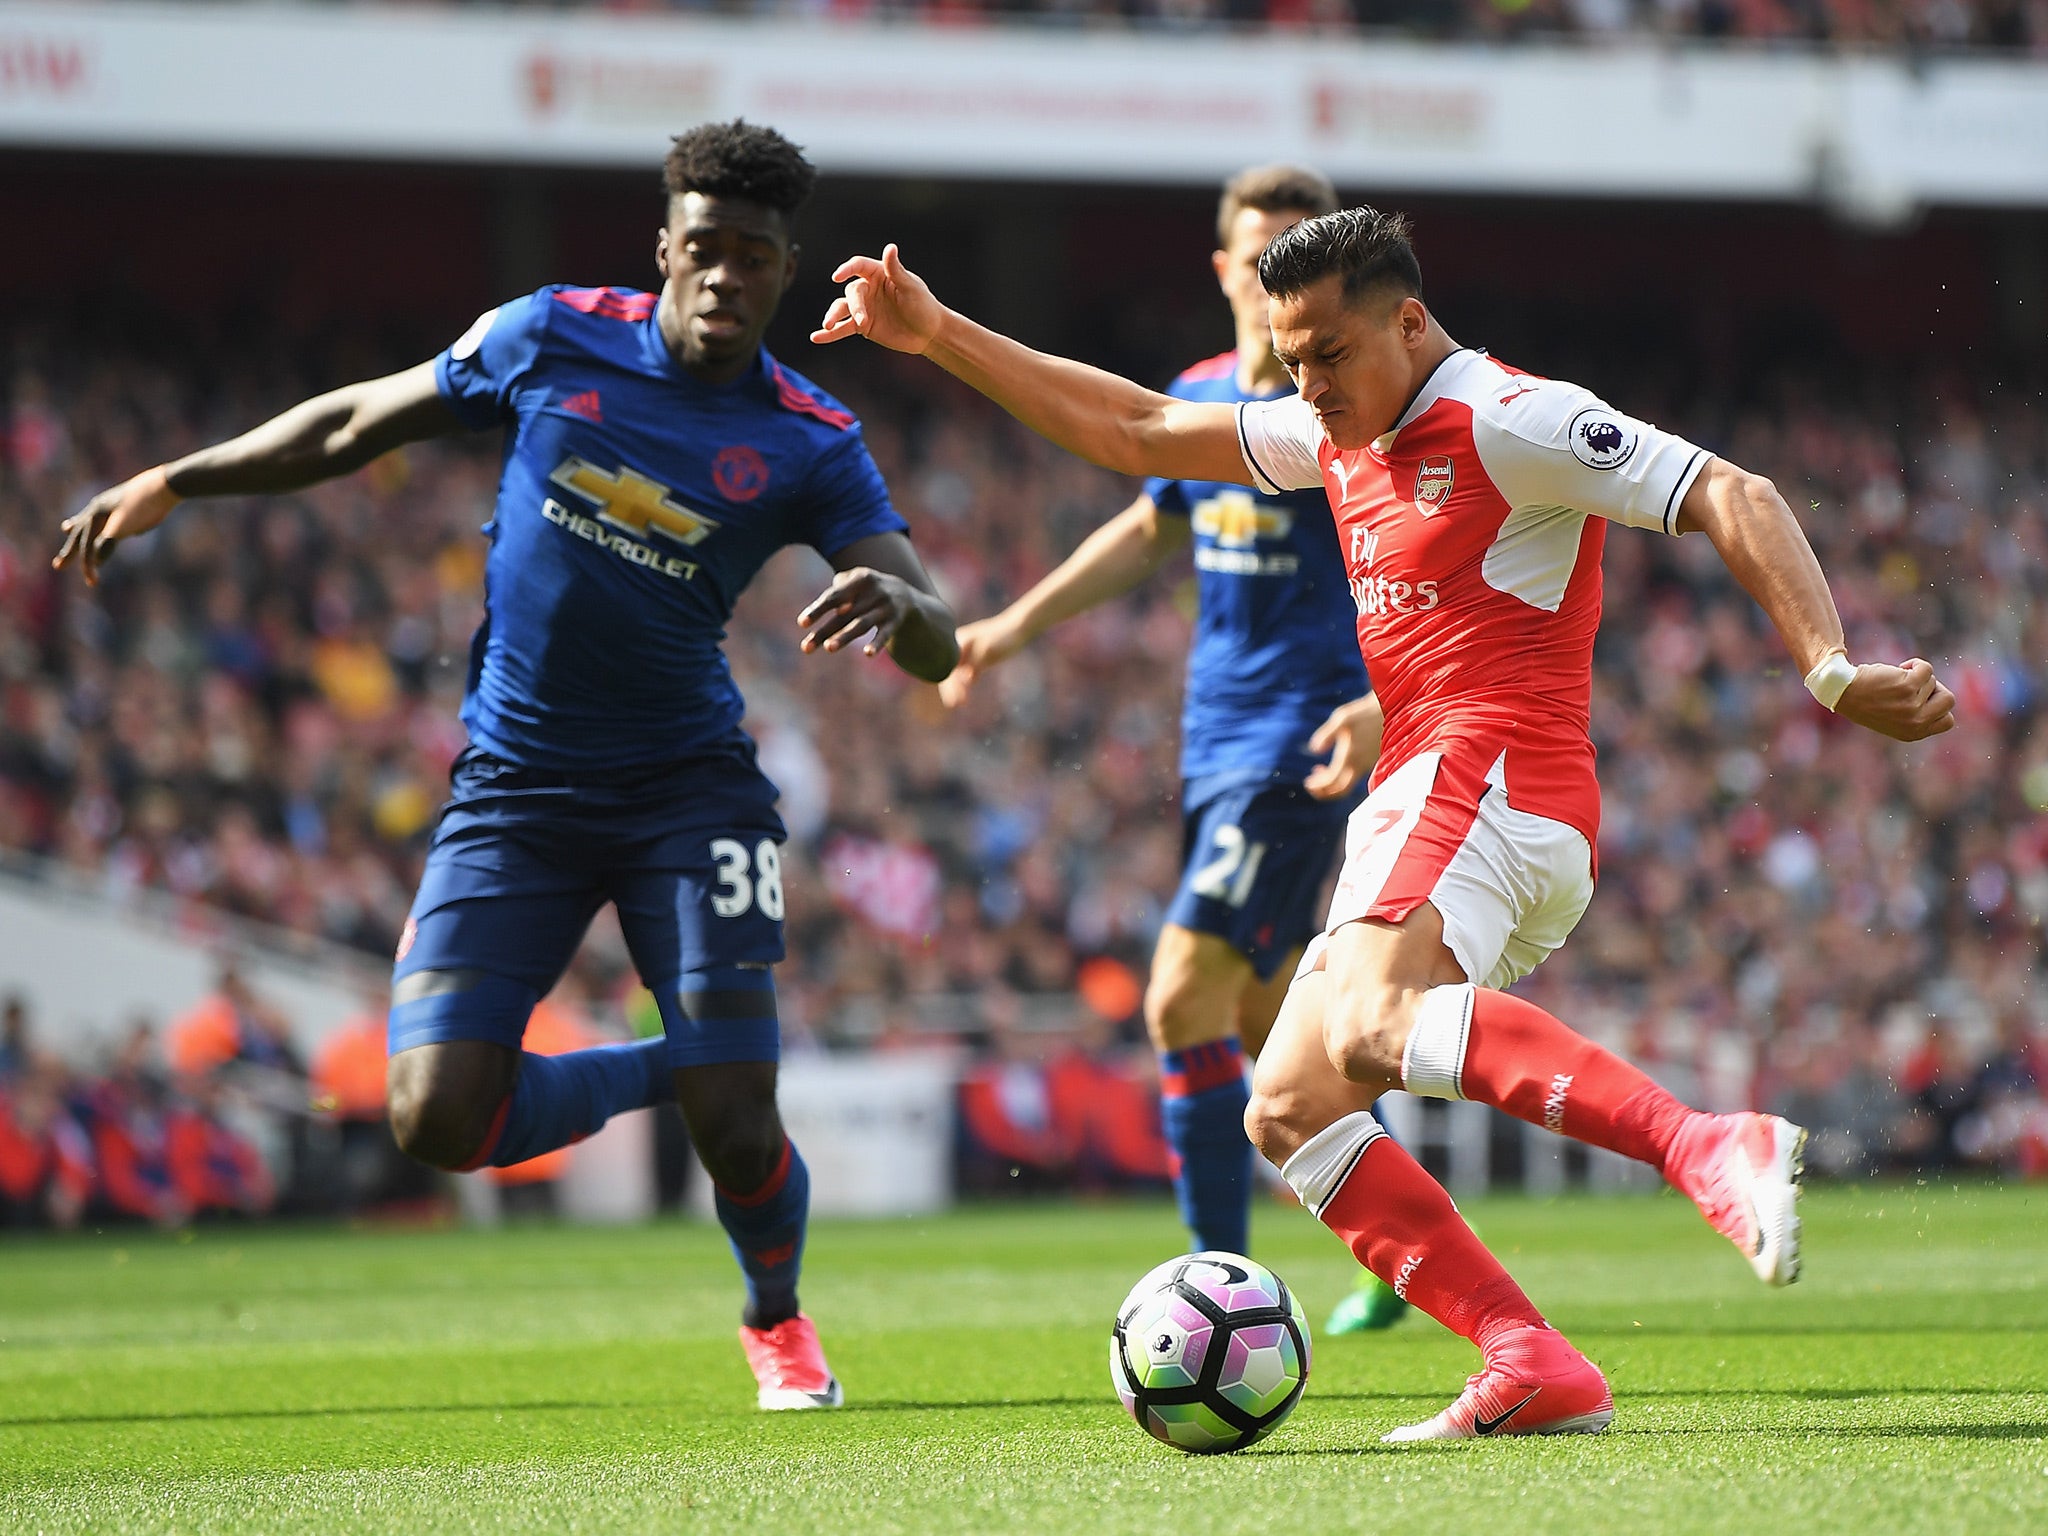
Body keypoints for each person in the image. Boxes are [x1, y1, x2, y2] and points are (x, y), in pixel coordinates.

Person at [814, 209, 1955, 1440]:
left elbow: (1731, 490)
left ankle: (1703, 1145)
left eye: (1328, 354)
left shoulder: (1507, 416)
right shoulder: (1332, 425)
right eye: (1288, 356)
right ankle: (1529, 1357)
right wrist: (936, 337)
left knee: (1361, 1024)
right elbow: (1137, 426)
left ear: (1408, 322)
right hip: (1430, 787)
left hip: (1491, 774)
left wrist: (1829, 671)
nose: (1307, 385)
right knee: (1290, 1101)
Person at [55, 121, 959, 1410]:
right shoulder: (549, 335)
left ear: (783, 269)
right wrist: (177, 480)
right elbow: (358, 421)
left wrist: (895, 600)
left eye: (752, 258)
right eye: (702, 249)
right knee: (436, 1116)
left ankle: (775, 1318)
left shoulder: (808, 436)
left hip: (688, 792)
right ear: (665, 247)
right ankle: (679, 1061)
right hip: (515, 793)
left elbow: (939, 641)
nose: (722, 278)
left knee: (742, 1131)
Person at [937, 164, 1382, 1274]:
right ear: (1227, 266)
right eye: (1259, 246)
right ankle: (1395, 1241)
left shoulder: (1339, 408)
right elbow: (1146, 530)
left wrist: (1387, 696)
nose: (1275, 266)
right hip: (1211, 741)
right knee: (1267, 1029)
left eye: (1300, 248)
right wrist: (1009, 627)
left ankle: (1214, 1282)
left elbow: (1413, 554)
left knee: (1179, 994)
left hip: (1302, 738)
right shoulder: (1195, 395)